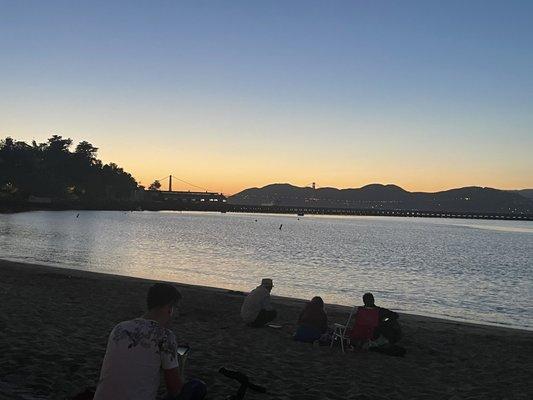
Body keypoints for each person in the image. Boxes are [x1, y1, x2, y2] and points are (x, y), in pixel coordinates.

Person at [93, 283, 206, 400]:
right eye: (175, 307)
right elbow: (175, 388)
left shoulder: (120, 328)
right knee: (198, 387)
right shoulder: (165, 337)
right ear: (169, 307)